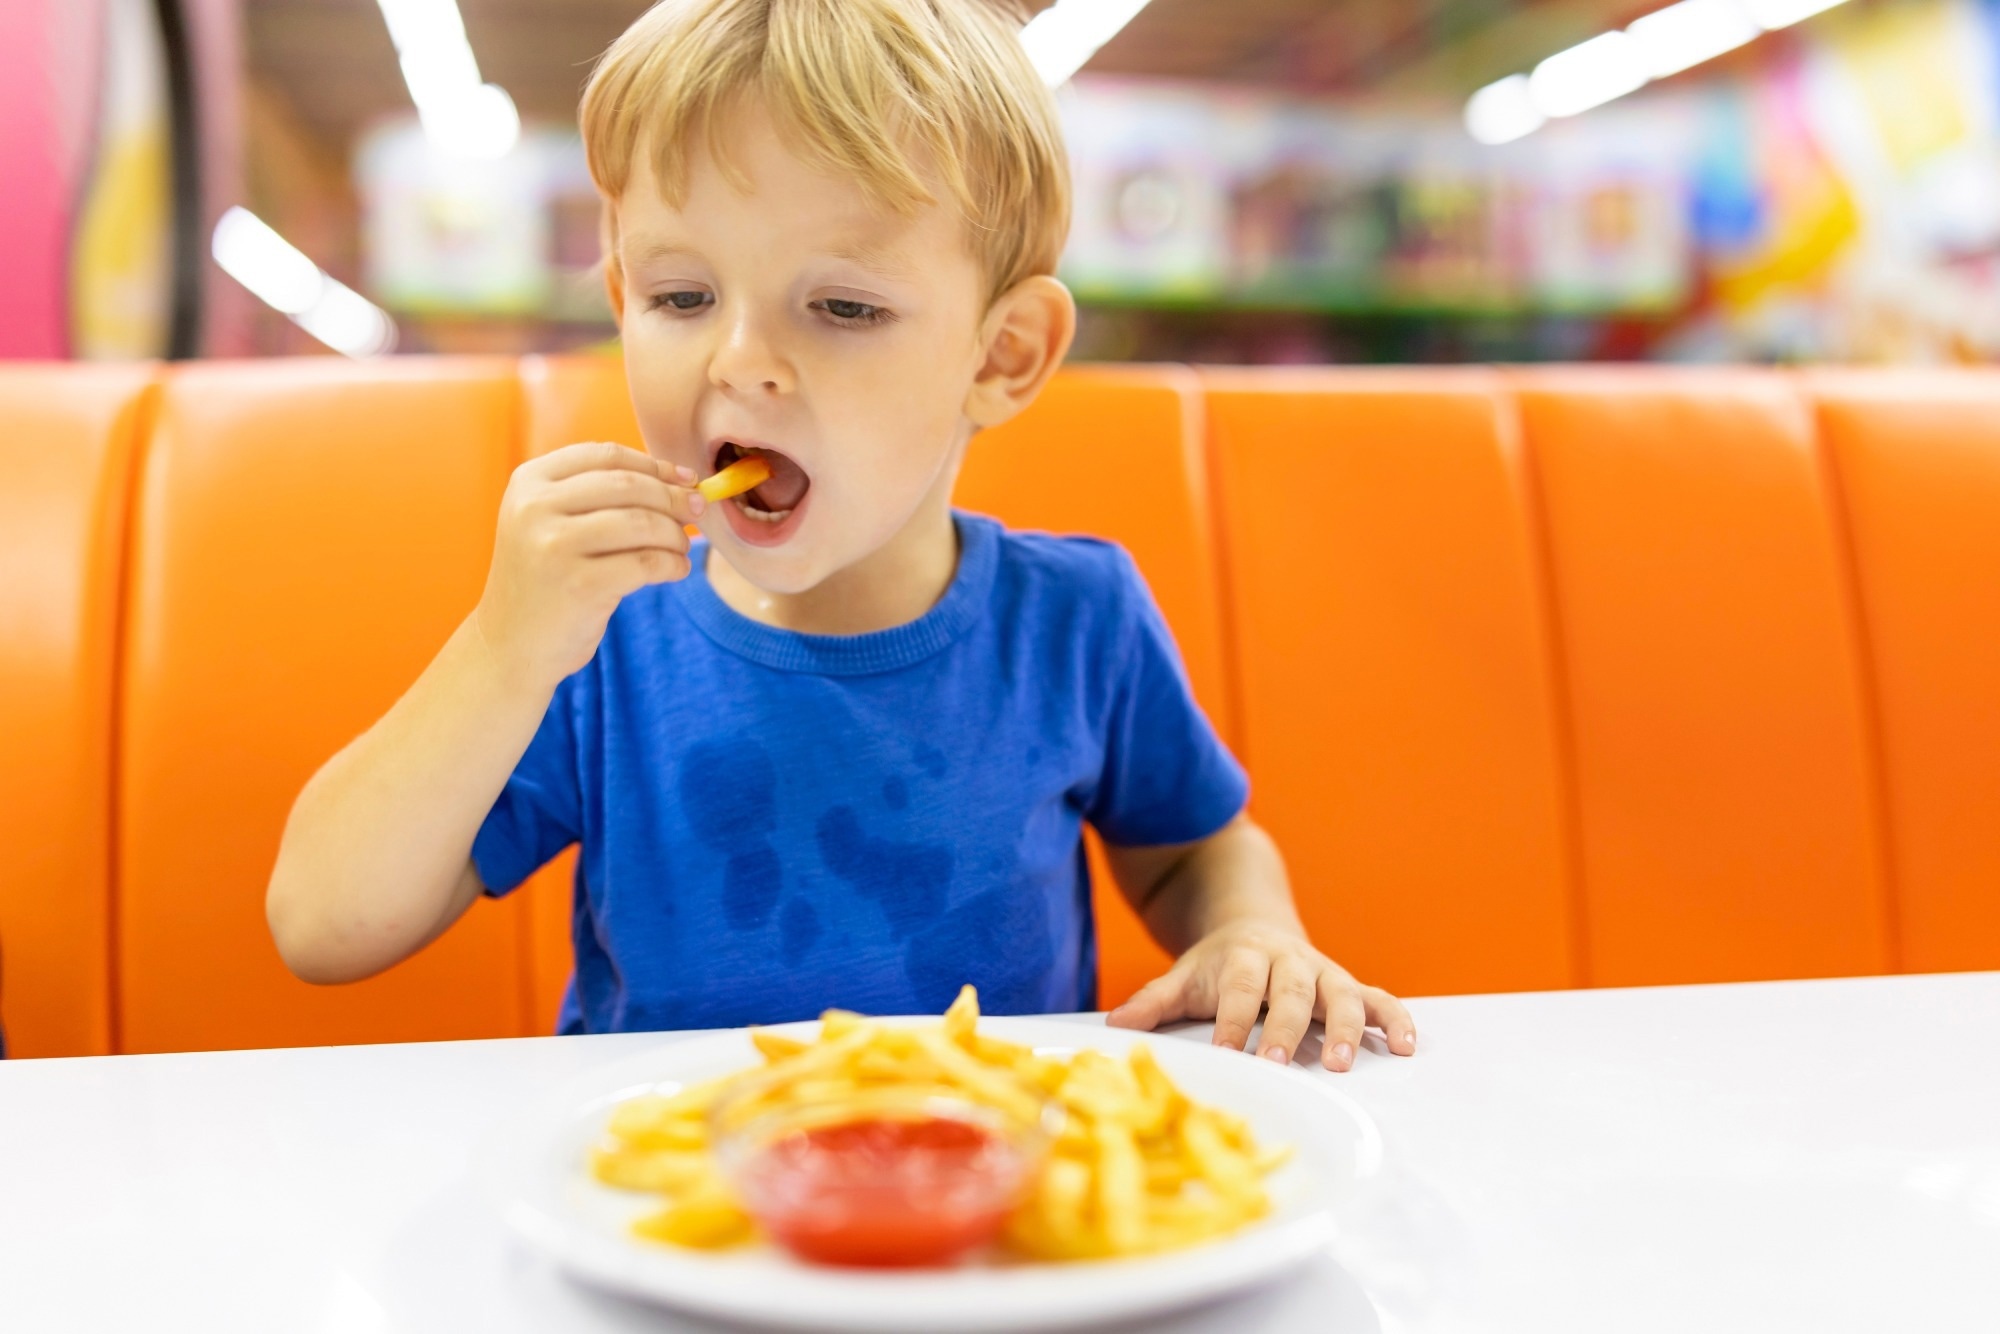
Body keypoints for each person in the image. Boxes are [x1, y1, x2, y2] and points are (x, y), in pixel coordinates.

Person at [265, 0, 1415, 1073]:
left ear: (1000, 353)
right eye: (681, 296)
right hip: (674, 1213)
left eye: (843, 307)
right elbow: (320, 922)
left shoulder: (1075, 621)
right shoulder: (596, 644)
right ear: (619, 300)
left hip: (986, 1207)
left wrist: (1249, 930)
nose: (739, 360)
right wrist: (502, 646)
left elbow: (1188, 848)